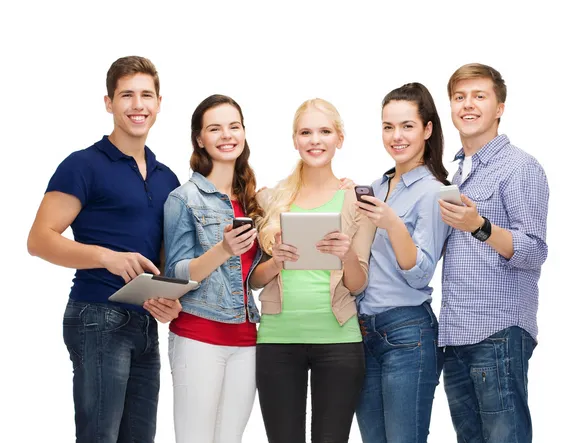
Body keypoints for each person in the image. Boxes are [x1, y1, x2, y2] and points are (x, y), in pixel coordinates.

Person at [26, 56, 182, 443]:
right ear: (109, 103)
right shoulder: (83, 165)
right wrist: (107, 257)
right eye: (126, 95)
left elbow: (162, 259)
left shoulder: (168, 178)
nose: (137, 105)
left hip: (145, 324)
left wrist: (169, 298)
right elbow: (39, 239)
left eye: (146, 95)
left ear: (159, 103)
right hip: (98, 317)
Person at [250, 98, 374, 443]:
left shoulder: (355, 200)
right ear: (294, 139)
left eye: (324, 131)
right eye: (306, 132)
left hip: (338, 340)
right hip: (278, 339)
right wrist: (276, 261)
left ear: (340, 138)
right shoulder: (272, 199)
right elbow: (255, 281)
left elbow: (358, 282)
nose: (315, 140)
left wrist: (346, 254)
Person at [438, 63, 549, 443]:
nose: (467, 105)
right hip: (455, 335)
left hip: (497, 331)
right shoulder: (455, 175)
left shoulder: (519, 167)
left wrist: (479, 226)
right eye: (459, 97)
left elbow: (533, 251)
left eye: (479, 96)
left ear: (499, 107)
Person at [353, 83, 451, 443]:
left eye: (407, 126)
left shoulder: (435, 191)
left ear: (427, 130)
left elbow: (421, 273)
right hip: (364, 330)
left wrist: (393, 224)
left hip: (408, 332)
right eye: (388, 126)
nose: (397, 136)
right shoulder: (377, 186)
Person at [163, 94, 263, 443]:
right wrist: (223, 249)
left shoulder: (252, 199)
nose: (226, 135)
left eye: (234, 126)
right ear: (199, 139)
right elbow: (174, 274)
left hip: (248, 339)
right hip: (198, 336)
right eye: (215, 128)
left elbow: (256, 277)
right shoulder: (184, 198)